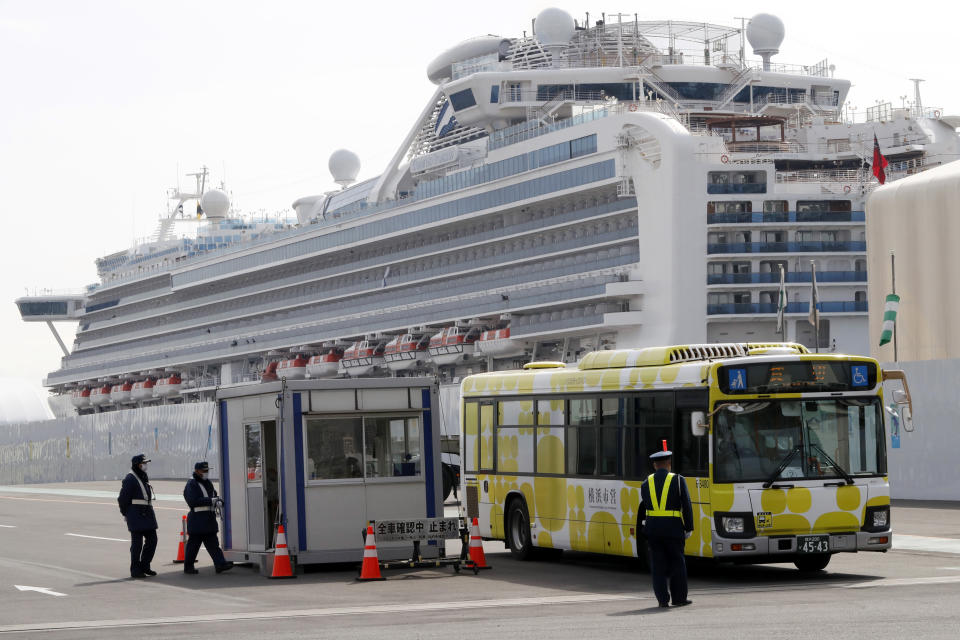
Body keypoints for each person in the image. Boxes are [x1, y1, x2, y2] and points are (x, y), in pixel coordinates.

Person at [639, 448, 694, 608]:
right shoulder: (678, 480)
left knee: (658, 566)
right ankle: (679, 598)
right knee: (677, 563)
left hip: (653, 530)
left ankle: (662, 600)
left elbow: (645, 506)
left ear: (655, 465)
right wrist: (689, 527)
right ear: (669, 464)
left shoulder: (645, 482)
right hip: (673, 529)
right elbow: (687, 505)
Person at [182, 461, 234, 575]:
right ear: (197, 471)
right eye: (204, 471)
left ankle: (220, 564)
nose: (206, 473)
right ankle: (188, 566)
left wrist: (218, 501)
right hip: (197, 520)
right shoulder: (192, 484)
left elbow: (213, 495)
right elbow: (193, 501)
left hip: (208, 519)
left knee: (213, 544)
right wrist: (211, 501)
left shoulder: (207, 482)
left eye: (207, 470)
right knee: (193, 545)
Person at [117, 453, 158, 579]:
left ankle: (145, 565)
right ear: (137, 465)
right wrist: (126, 514)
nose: (146, 465)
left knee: (152, 540)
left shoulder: (142, 476)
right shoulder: (130, 479)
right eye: (143, 463)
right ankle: (135, 570)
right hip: (135, 515)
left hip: (146, 514)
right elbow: (122, 499)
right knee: (137, 544)